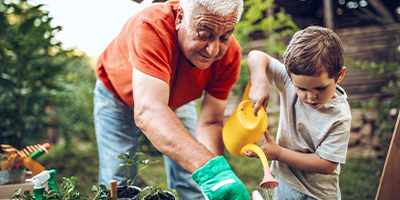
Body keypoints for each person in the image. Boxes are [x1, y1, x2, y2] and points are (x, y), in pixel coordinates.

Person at [93, 0, 250, 199]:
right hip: (117, 96)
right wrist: (211, 171)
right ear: (180, 18)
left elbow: (210, 122)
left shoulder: (229, 56)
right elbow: (149, 111)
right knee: (119, 180)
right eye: (204, 34)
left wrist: (220, 176)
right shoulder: (152, 26)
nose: (213, 50)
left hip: (175, 101)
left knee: (195, 178)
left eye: (225, 36)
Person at [245, 26, 351, 199]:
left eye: (320, 88)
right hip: (284, 181)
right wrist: (259, 83)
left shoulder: (339, 115)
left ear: (339, 75)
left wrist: (278, 153)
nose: (310, 96)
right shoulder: (288, 80)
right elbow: (255, 56)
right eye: (301, 88)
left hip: (317, 194)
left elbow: (327, 164)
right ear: (290, 75)